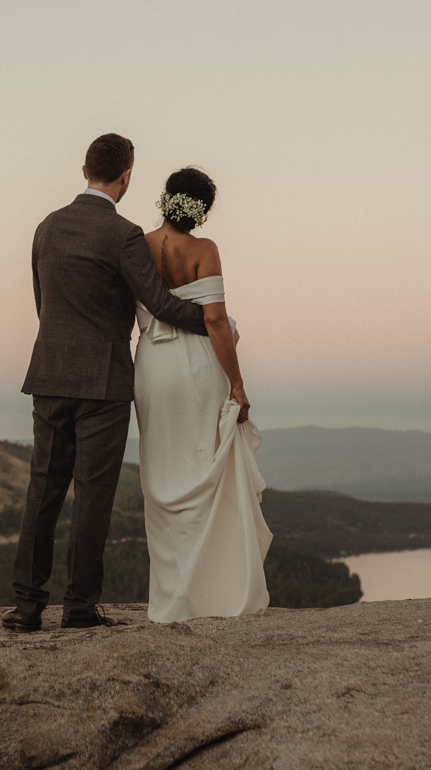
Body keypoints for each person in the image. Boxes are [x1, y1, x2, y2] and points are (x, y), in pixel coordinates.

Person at [5, 134, 210, 632]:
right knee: (93, 495)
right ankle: (78, 609)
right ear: (126, 177)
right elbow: (160, 303)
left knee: (43, 491)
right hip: (104, 383)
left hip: (50, 376)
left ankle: (26, 608)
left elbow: (43, 302)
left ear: (83, 171)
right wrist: (214, 320)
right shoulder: (122, 234)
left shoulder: (46, 228)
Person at [134, 167, 271, 622]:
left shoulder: (138, 244)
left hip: (151, 369)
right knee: (204, 469)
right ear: (203, 211)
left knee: (163, 473)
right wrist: (237, 381)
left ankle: (172, 600)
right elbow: (214, 320)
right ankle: (214, 594)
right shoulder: (203, 249)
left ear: (165, 198)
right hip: (195, 367)